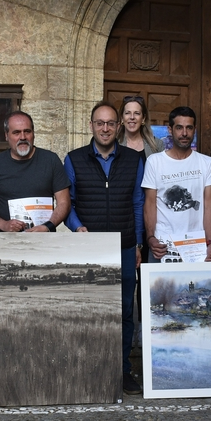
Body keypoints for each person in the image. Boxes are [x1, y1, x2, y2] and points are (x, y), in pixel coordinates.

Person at [64, 100, 145, 395]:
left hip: (123, 246)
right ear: (91, 126)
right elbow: (68, 204)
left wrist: (137, 242)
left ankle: (122, 370)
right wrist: (76, 227)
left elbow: (138, 202)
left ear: (119, 126)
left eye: (111, 123)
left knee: (123, 311)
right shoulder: (73, 159)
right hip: (91, 248)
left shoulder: (134, 160)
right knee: (89, 310)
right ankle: (89, 371)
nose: (106, 128)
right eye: (100, 123)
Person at [142, 106, 211, 262]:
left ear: (195, 130)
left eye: (189, 128)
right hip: (162, 246)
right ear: (170, 130)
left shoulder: (206, 163)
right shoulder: (155, 161)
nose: (184, 133)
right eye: (179, 128)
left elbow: (209, 205)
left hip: (196, 246)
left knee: (194, 286)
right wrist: (150, 238)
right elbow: (150, 204)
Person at [0, 111, 71, 232]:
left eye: (27, 131)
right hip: (8, 241)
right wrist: (3, 225)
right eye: (16, 132)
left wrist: (48, 226)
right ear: (6, 135)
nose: (22, 137)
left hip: (45, 240)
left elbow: (64, 202)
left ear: (33, 134)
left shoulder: (51, 160)